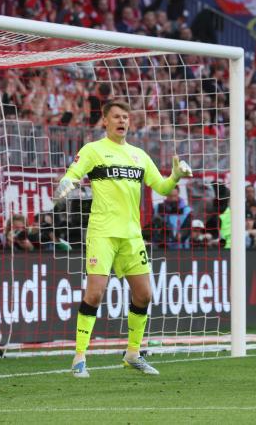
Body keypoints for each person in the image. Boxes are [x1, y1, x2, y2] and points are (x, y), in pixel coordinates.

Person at [55, 100, 193, 378]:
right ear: (104, 121)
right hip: (103, 233)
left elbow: (162, 187)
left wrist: (176, 175)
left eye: (126, 117)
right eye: (116, 116)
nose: (122, 121)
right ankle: (79, 357)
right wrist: (65, 183)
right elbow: (72, 175)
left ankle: (133, 353)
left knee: (144, 295)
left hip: (132, 235)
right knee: (94, 293)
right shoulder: (93, 150)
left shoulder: (139, 155)